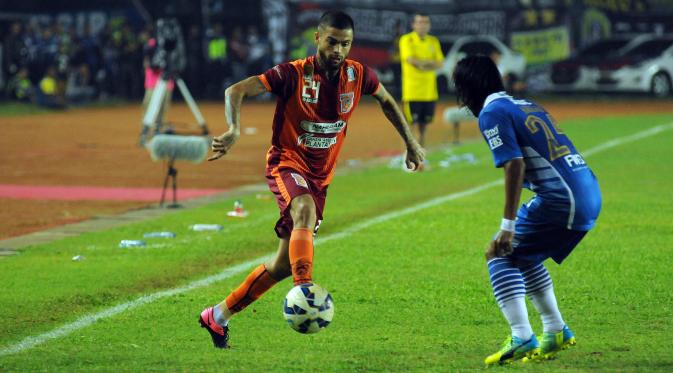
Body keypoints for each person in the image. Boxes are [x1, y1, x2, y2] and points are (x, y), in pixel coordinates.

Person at [199, 10, 425, 349]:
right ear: (317, 38)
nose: (337, 50)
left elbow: (388, 101)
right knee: (302, 211)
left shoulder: (358, 75)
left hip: (320, 179)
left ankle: (216, 317)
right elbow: (236, 90)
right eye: (332, 41)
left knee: (280, 265)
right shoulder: (292, 74)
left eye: (345, 44)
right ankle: (306, 288)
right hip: (286, 164)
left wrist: (410, 142)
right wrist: (233, 129)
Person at [452, 55, 601, 365]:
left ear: (468, 89)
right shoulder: (525, 104)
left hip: (562, 198)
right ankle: (556, 330)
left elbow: (514, 164)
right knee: (523, 254)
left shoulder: (492, 113)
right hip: (587, 189)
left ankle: (521, 336)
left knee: (498, 251)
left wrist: (507, 224)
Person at [399, 12, 444, 148]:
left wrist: (422, 63)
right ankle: (408, 156)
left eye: (426, 22)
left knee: (424, 127)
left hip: (429, 91)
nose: (423, 25)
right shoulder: (407, 40)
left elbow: (440, 63)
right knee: (411, 126)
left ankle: (420, 156)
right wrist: (429, 63)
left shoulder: (433, 41)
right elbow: (412, 60)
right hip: (413, 91)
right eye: (420, 22)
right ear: (413, 24)